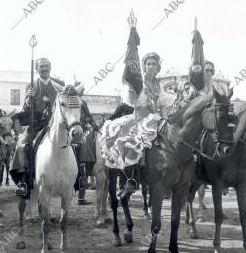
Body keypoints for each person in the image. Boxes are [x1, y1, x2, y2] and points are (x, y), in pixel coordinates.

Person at [100, 52, 175, 195]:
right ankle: (131, 178)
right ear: (144, 66)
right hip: (140, 117)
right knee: (137, 142)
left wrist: (165, 121)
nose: (151, 66)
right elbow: (132, 102)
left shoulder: (159, 85)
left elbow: (164, 106)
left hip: (156, 118)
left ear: (157, 67)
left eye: (154, 64)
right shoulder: (139, 82)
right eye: (148, 64)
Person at [10, 58, 65, 197]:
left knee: (76, 141)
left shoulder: (59, 85)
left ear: (50, 67)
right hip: (36, 124)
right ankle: (22, 181)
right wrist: (29, 99)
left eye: (46, 66)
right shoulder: (31, 85)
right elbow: (25, 109)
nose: (44, 68)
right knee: (22, 145)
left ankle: (79, 177)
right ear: (37, 69)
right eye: (41, 66)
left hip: (54, 123)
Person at [73, 81, 99, 205]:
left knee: (88, 146)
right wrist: (84, 120)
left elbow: (89, 116)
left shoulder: (83, 103)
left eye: (82, 90)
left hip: (81, 131)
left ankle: (81, 194)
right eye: (80, 89)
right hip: (71, 131)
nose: (81, 92)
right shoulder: (70, 101)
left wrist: (94, 124)